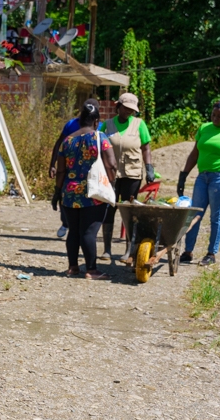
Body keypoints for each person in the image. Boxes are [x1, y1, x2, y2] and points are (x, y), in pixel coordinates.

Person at [177, 99, 220, 266]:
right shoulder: (204, 128)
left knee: (216, 216)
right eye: (213, 115)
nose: (215, 118)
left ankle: (211, 254)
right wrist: (183, 175)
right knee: (194, 213)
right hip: (203, 176)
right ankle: (188, 252)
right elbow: (194, 154)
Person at [58, 99, 116, 279]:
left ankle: (73, 267)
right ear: (97, 121)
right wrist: (111, 184)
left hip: (69, 193)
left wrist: (57, 192)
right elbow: (111, 165)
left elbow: (60, 170)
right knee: (89, 232)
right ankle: (91, 270)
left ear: (80, 119)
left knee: (74, 231)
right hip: (93, 193)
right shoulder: (100, 138)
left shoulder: (67, 141)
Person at [101, 92, 155, 261]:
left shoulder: (139, 124)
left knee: (129, 211)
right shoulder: (107, 125)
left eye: (132, 110)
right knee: (109, 209)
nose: (128, 112)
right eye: (126, 108)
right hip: (110, 174)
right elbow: (97, 143)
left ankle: (128, 250)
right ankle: (107, 249)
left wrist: (149, 168)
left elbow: (146, 148)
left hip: (132, 174)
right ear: (118, 106)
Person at [48, 112, 83, 239]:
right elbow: (59, 144)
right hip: (69, 167)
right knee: (64, 195)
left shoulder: (100, 128)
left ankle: (81, 228)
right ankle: (65, 222)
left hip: (87, 171)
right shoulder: (71, 124)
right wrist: (53, 164)